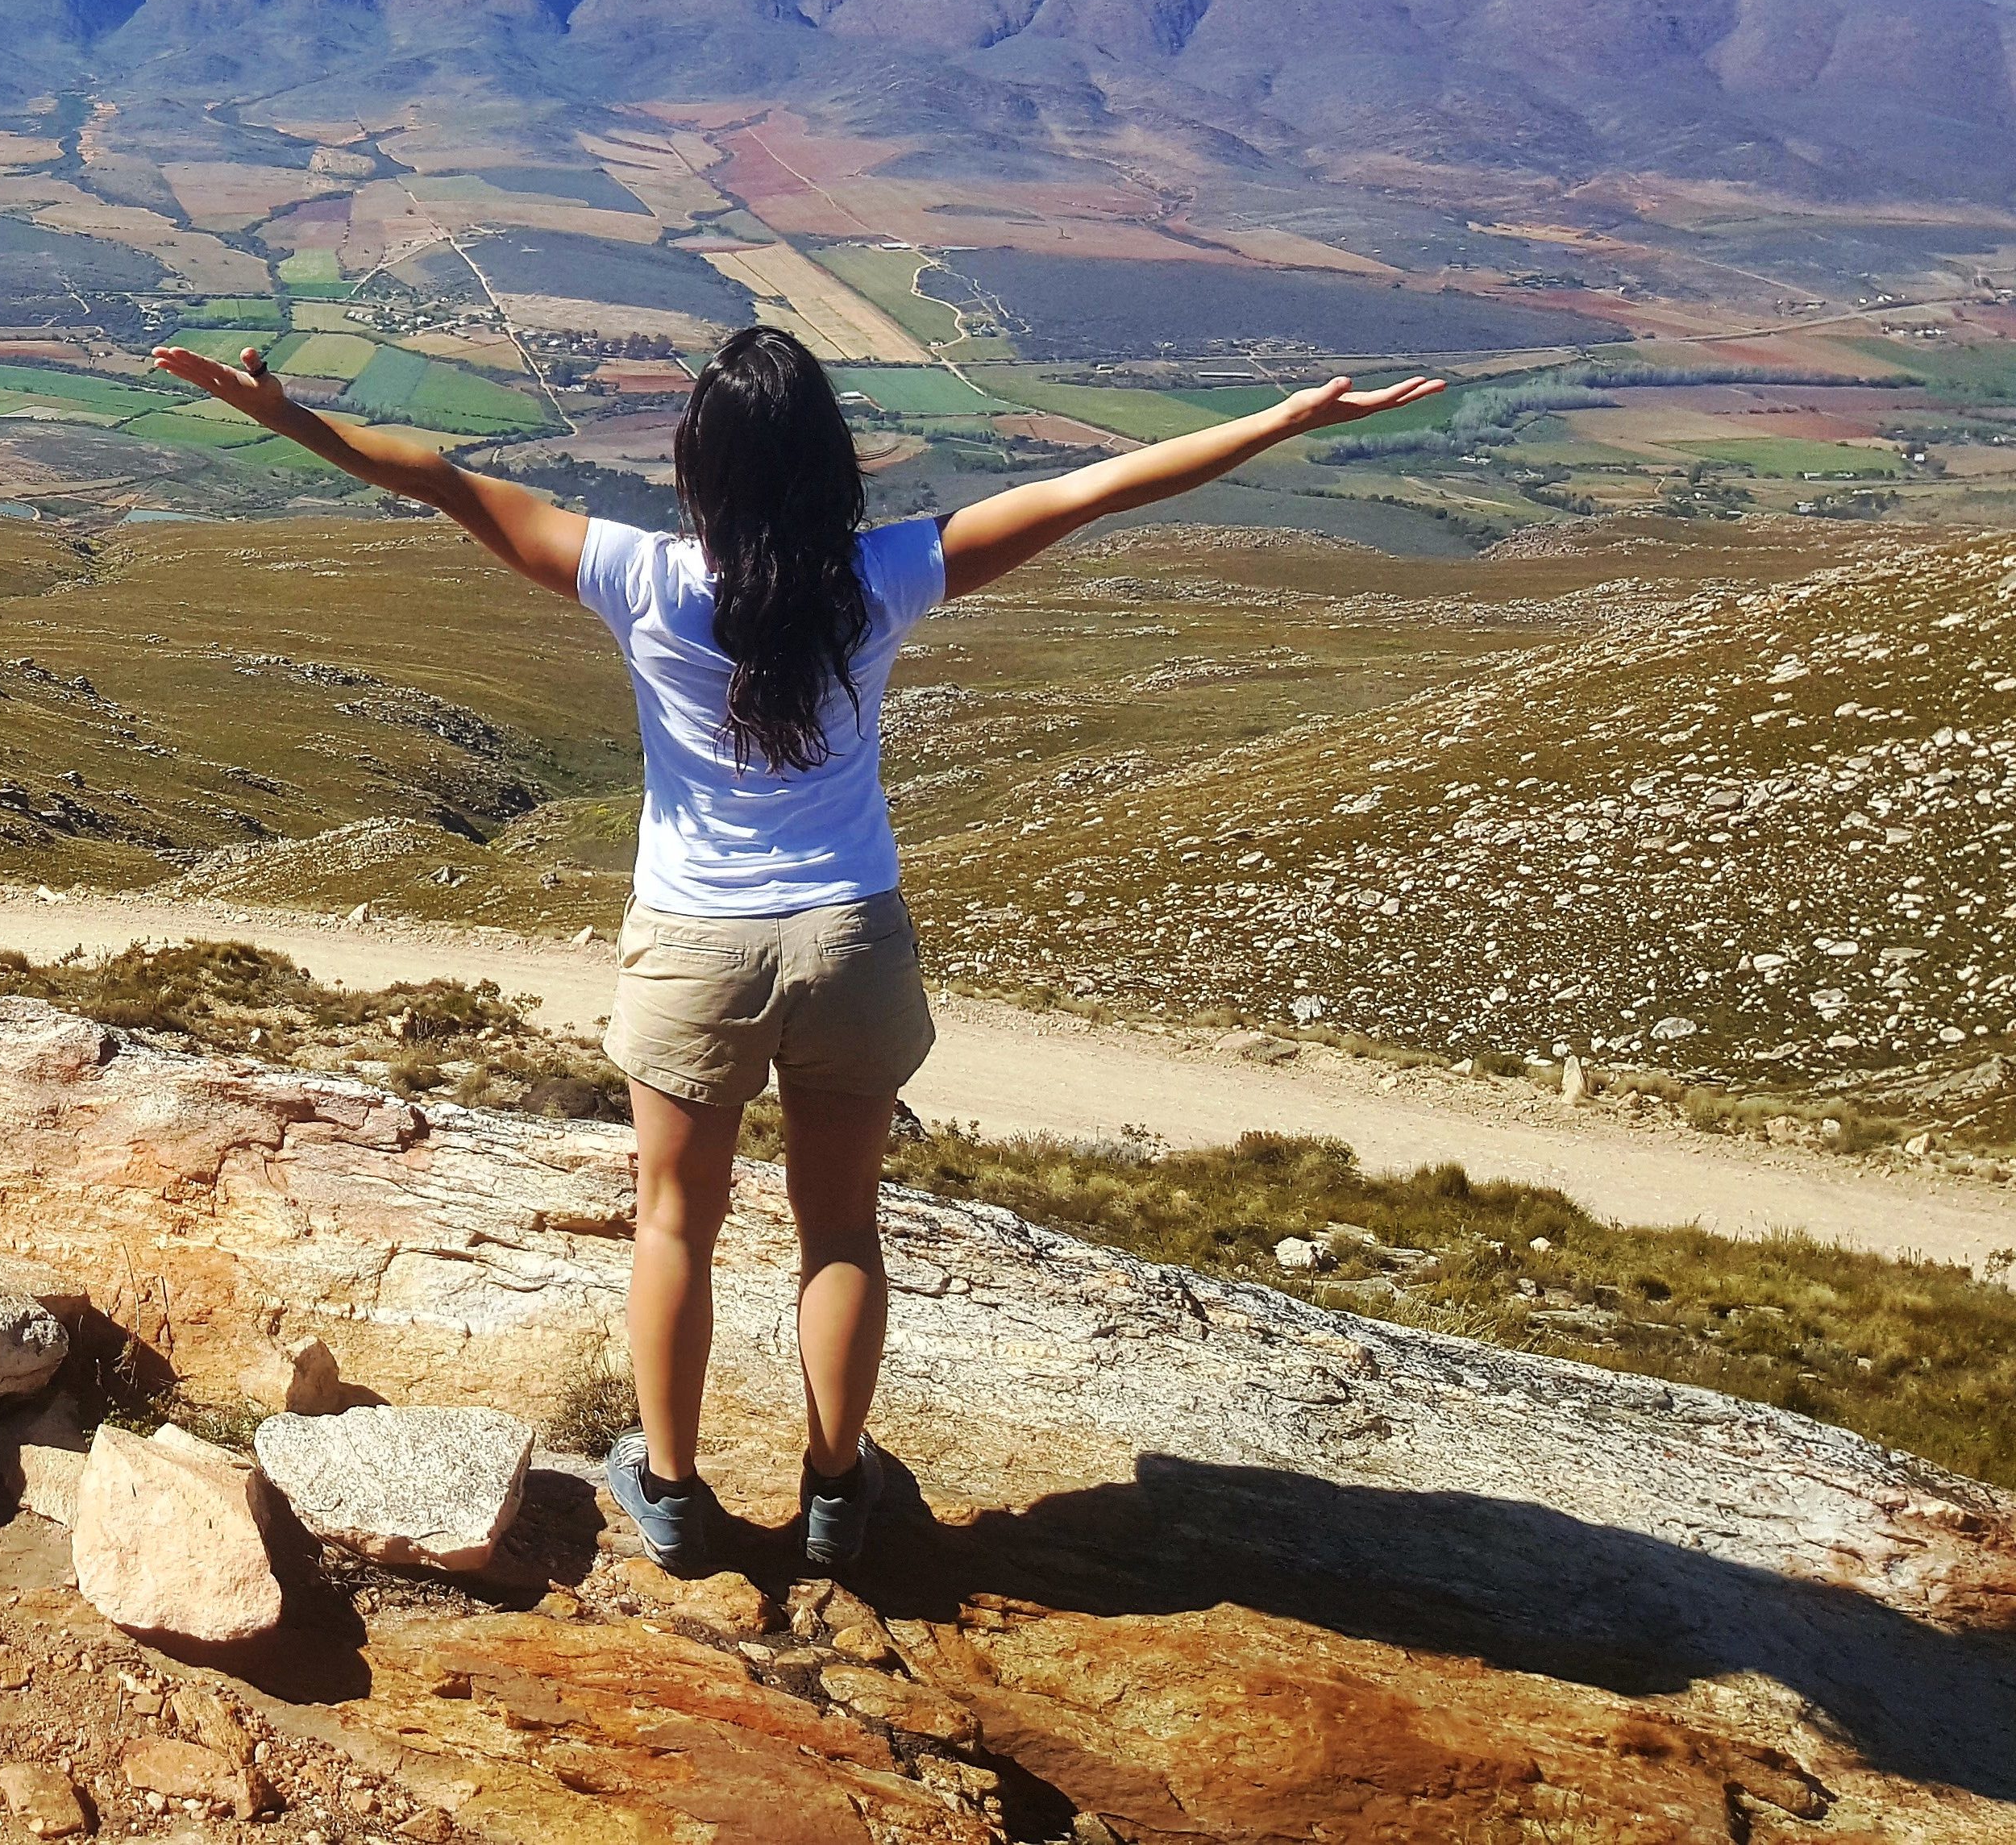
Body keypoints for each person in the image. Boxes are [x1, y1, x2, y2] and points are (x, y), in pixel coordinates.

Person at [152, 321, 1439, 1573]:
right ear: (828, 460)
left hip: (695, 943)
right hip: (851, 940)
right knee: (841, 1233)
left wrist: (291, 418)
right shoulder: (882, 574)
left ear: (697, 465)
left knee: (674, 1224)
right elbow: (1088, 490)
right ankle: (835, 1489)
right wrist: (1279, 421)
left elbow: (433, 478)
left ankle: (669, 1490)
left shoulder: (639, 576)